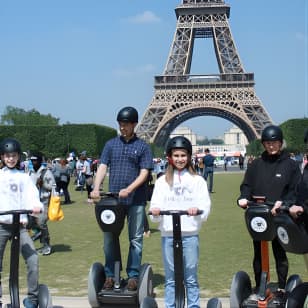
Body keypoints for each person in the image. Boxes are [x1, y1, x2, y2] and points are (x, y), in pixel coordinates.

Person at [90, 106, 153, 291]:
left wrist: (130, 188)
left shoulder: (143, 147)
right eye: (120, 124)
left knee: (135, 239)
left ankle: (133, 275)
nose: (122, 127)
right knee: (109, 237)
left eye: (125, 124)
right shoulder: (110, 144)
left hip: (136, 200)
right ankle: (111, 274)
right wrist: (95, 188)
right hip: (113, 202)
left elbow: (144, 173)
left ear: (134, 124)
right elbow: (102, 166)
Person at [237, 125, 302, 297]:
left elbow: (295, 189)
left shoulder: (291, 165)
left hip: (280, 215)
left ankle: (281, 286)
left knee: (279, 251)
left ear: (280, 143)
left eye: (274, 143)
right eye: (267, 143)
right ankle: (260, 285)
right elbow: (247, 185)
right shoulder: (256, 164)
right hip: (259, 215)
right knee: (258, 252)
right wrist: (243, 197)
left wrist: (284, 203)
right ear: (263, 144)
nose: (271, 146)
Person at [149, 136, 211, 308]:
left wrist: (196, 210)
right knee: (171, 278)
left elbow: (205, 206)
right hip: (168, 235)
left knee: (190, 277)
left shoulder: (198, 180)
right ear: (170, 157)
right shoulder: (161, 181)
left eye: (183, 155)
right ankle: (171, 306)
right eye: (176, 155)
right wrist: (155, 212)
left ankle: (193, 306)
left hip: (190, 235)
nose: (180, 159)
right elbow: (155, 205)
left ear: (189, 156)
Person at [0, 138, 43, 308]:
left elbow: (33, 195)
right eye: (7, 156)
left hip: (21, 227)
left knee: (33, 259)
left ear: (18, 157)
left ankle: (32, 299)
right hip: (2, 225)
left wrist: (36, 206)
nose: (11, 159)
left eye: (14, 155)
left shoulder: (24, 178)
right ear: (2, 157)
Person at [28, 152, 56, 256]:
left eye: (35, 160)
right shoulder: (30, 172)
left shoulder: (46, 172)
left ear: (40, 161)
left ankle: (47, 245)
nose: (33, 162)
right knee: (29, 223)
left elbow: (53, 186)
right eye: (32, 160)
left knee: (41, 223)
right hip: (32, 202)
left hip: (44, 202)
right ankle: (39, 234)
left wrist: (43, 184)